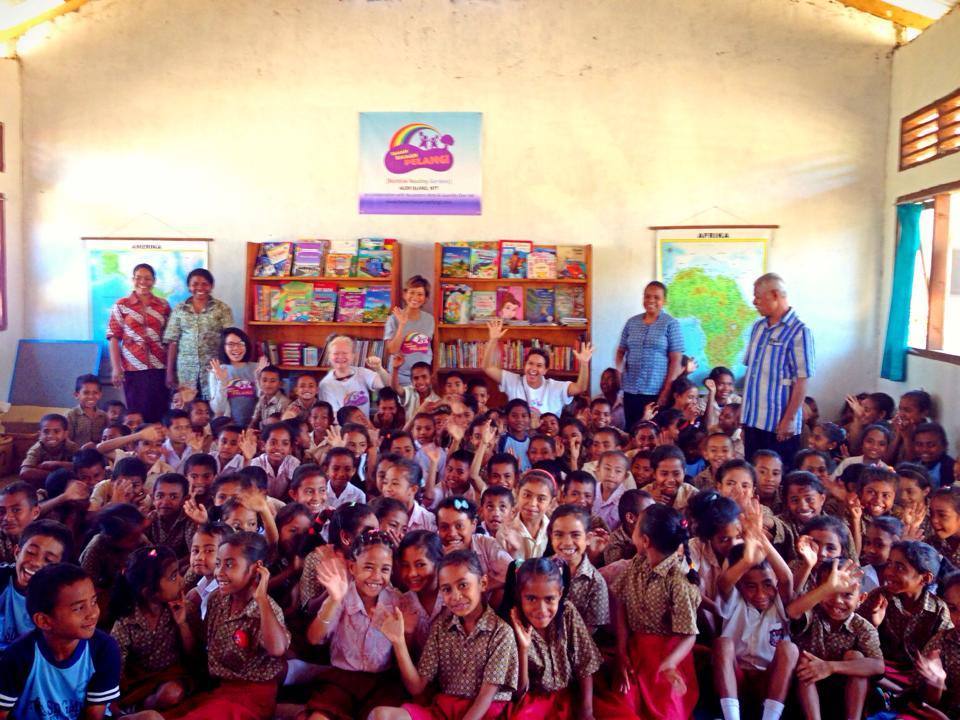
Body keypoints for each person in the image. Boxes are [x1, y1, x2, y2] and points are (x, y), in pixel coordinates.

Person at [371, 549, 519, 720]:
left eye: (463, 585)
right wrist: (398, 641)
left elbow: (485, 698)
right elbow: (417, 687)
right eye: (447, 589)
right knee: (381, 715)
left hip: (485, 713)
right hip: (445, 710)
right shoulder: (441, 627)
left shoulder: (501, 632)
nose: (455, 596)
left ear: (483, 583)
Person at [174, 532, 289, 720]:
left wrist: (260, 597)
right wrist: (183, 622)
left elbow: (277, 649)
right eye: (218, 563)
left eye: (229, 564)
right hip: (219, 686)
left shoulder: (265, 610)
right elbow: (203, 643)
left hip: (252, 693)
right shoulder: (217, 599)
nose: (219, 572)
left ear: (256, 568)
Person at [0, 563, 125, 720]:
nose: (92, 613)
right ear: (44, 621)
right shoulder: (18, 656)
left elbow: (94, 715)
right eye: (79, 608)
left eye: (93, 601)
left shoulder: (104, 649)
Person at [304, 530, 406, 720]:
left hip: (381, 683)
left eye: (384, 569)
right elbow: (314, 638)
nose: (376, 576)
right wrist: (334, 599)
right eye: (368, 567)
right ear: (352, 567)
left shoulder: (397, 602)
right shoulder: (341, 597)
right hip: (341, 680)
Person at [502, 557, 603, 719]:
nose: (541, 609)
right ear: (519, 595)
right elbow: (519, 692)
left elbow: (585, 664)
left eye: (549, 599)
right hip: (534, 702)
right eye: (531, 598)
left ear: (560, 594)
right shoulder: (512, 624)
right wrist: (523, 648)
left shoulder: (567, 613)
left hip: (573, 694)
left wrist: (587, 712)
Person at [740, 273, 815, 465]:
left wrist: (788, 420)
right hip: (753, 421)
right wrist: (744, 418)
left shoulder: (799, 332)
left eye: (758, 296)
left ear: (774, 295)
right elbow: (752, 375)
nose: (754, 301)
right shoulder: (758, 328)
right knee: (753, 475)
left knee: (777, 479)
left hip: (778, 426)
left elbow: (802, 381)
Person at [108, 546, 192, 711]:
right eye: (173, 577)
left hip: (173, 674)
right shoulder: (126, 622)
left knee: (171, 693)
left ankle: (145, 706)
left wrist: (182, 623)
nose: (181, 580)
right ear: (149, 593)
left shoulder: (182, 607)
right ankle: (140, 706)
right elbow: (117, 665)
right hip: (142, 679)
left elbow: (193, 655)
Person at [482, 318, 593, 418]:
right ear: (525, 365)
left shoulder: (556, 387)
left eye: (539, 365)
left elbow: (580, 387)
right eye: (530, 363)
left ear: (545, 370)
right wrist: (493, 340)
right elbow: (487, 367)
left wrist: (583, 363)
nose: (533, 368)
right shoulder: (513, 381)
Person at [107, 262, 172, 423]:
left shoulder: (163, 305)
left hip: (159, 367)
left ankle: (158, 445)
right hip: (132, 368)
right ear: (133, 279)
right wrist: (116, 368)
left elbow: (171, 339)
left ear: (154, 281)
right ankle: (138, 446)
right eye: (138, 278)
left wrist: (170, 371)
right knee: (137, 413)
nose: (143, 282)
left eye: (148, 278)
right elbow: (114, 337)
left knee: (160, 410)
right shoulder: (121, 305)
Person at [616, 280, 685, 429]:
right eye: (647, 296)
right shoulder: (631, 322)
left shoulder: (671, 324)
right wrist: (619, 374)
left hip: (656, 392)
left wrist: (666, 391)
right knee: (632, 430)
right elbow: (621, 351)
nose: (651, 300)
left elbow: (676, 361)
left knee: (653, 432)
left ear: (664, 301)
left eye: (656, 297)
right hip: (631, 390)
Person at [0, 519, 73, 650]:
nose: (36, 563)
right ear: (17, 552)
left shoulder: (59, 602)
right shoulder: (2, 578)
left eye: (48, 560)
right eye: (31, 553)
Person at [163, 268, 234, 400]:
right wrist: (169, 373)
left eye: (205, 284)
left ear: (211, 286)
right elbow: (172, 342)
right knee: (188, 408)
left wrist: (229, 369)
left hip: (213, 370)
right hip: (186, 372)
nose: (200, 287)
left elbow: (229, 340)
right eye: (195, 284)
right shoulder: (179, 309)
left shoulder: (222, 308)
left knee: (213, 406)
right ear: (189, 287)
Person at [208, 327, 266, 427]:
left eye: (240, 343)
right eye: (231, 344)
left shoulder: (257, 368)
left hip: (255, 426)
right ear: (223, 347)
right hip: (228, 428)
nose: (236, 348)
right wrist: (222, 381)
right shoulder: (217, 371)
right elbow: (218, 409)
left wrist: (259, 377)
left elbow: (265, 401)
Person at [384, 275, 435, 385]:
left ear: (426, 298)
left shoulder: (430, 319)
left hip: (422, 377)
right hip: (399, 375)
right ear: (404, 294)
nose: (415, 297)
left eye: (420, 294)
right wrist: (402, 325)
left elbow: (427, 347)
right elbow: (392, 350)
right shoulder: (393, 319)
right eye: (411, 292)